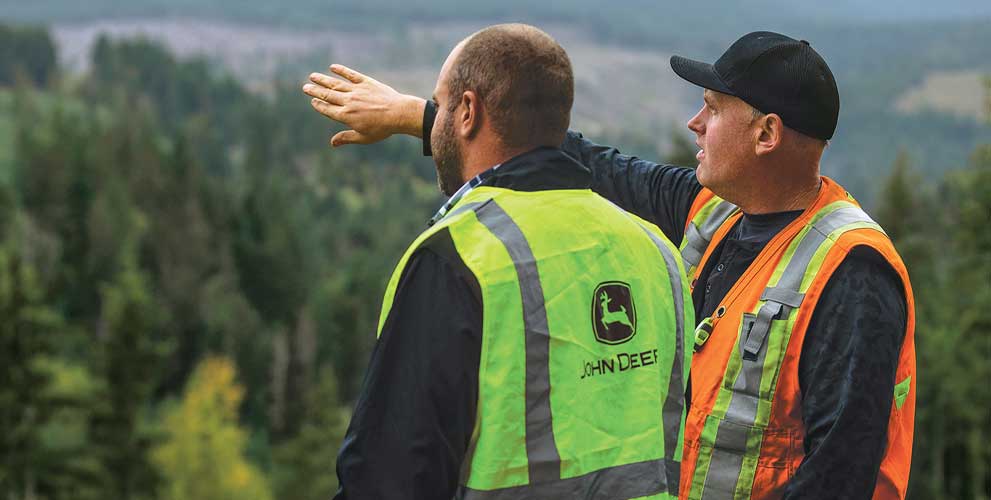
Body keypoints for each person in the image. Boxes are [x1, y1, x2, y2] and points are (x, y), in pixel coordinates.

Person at [304, 30, 916, 499]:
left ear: (766, 134)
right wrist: (427, 118)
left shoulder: (851, 269)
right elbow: (572, 159)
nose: (693, 123)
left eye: (712, 107)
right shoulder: (713, 213)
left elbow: (842, 471)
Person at [309, 23, 694, 499]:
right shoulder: (658, 253)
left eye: (442, 105)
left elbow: (391, 476)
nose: (437, 119)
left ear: (467, 111)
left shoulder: (458, 256)